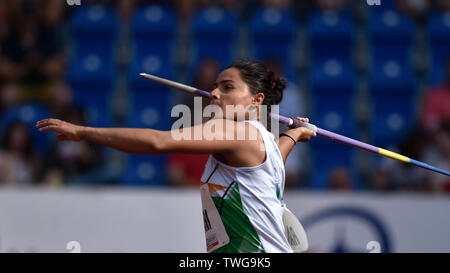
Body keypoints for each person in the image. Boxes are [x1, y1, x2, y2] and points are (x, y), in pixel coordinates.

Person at [36, 59, 316, 253]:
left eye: (228, 87)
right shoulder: (264, 137)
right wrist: (295, 135)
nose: (214, 93)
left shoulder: (234, 131)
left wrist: (84, 132)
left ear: (256, 100)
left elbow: (158, 142)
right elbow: (274, 162)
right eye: (216, 86)